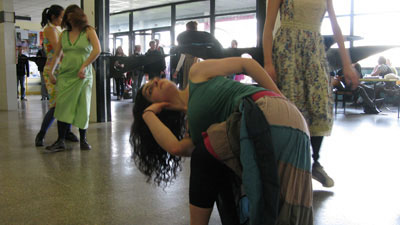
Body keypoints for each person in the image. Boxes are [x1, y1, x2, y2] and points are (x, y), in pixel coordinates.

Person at [131, 57, 313, 225]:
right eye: (150, 90)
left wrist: (281, 97)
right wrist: (148, 115)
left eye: (151, 82)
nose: (154, 81)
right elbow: (176, 147)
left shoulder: (197, 73)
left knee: (203, 155)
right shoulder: (195, 130)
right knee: (278, 206)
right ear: (156, 107)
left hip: (267, 109)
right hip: (283, 128)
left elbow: (246, 64)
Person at [263, 0, 359, 188]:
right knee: (292, 105)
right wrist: (268, 62)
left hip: (315, 48)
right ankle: (292, 166)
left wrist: (347, 64)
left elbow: (335, 25)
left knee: (320, 103)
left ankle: (315, 162)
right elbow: (268, 28)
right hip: (287, 50)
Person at [45, 4, 101, 152]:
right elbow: (57, 54)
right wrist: (51, 71)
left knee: (83, 106)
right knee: (62, 106)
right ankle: (60, 140)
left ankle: (83, 140)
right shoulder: (64, 34)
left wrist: (84, 66)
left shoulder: (88, 31)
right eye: (66, 17)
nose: (68, 19)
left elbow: (97, 50)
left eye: (70, 16)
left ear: (78, 16)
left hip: (83, 76)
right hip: (66, 75)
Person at [35, 5, 79, 147]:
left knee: (67, 103)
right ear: (54, 17)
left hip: (63, 69)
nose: (63, 19)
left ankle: (66, 132)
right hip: (53, 70)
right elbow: (58, 50)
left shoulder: (58, 30)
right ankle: (41, 134)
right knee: (56, 105)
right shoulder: (49, 30)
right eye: (61, 17)